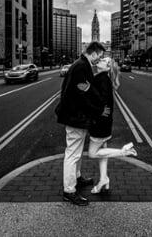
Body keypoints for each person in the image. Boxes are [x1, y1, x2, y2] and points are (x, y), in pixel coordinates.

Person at [55, 41, 109, 206]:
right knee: (72, 153)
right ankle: (69, 191)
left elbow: (86, 90)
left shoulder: (82, 65)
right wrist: (98, 110)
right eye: (99, 56)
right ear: (93, 52)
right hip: (75, 117)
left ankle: (77, 178)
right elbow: (81, 95)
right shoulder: (81, 67)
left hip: (77, 116)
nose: (99, 59)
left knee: (76, 152)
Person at [87, 57, 137, 194]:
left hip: (99, 123)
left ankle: (124, 151)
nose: (100, 61)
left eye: (103, 61)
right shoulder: (104, 79)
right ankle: (104, 179)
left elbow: (99, 100)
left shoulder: (101, 79)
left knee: (92, 154)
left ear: (108, 67)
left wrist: (87, 89)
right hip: (105, 121)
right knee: (103, 153)